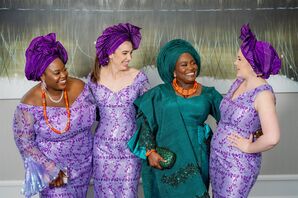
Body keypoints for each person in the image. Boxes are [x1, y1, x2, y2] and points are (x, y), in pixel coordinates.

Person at [128, 39, 223, 198]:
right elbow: (144, 122)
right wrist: (150, 151)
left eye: (193, 63)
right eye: (184, 65)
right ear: (173, 70)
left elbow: (232, 119)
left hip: (198, 153)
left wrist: (254, 133)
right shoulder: (159, 93)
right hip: (167, 156)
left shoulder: (209, 94)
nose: (191, 68)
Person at [13, 33, 96, 198]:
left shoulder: (80, 88)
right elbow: (25, 144)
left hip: (84, 167)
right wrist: (51, 170)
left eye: (64, 69)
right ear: (42, 75)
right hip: (55, 173)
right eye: (57, 72)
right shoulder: (29, 103)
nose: (64, 75)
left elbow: (101, 112)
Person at [210, 24, 281, 198]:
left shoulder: (263, 94)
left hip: (238, 165)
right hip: (217, 160)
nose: (235, 63)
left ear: (252, 63)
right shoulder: (239, 83)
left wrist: (249, 146)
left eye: (239, 59)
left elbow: (272, 137)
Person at [88, 23, 150, 198]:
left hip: (129, 149)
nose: (129, 58)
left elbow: (150, 114)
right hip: (102, 150)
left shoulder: (138, 78)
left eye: (131, 53)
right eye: (125, 53)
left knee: (127, 194)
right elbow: (84, 114)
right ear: (110, 53)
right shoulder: (94, 78)